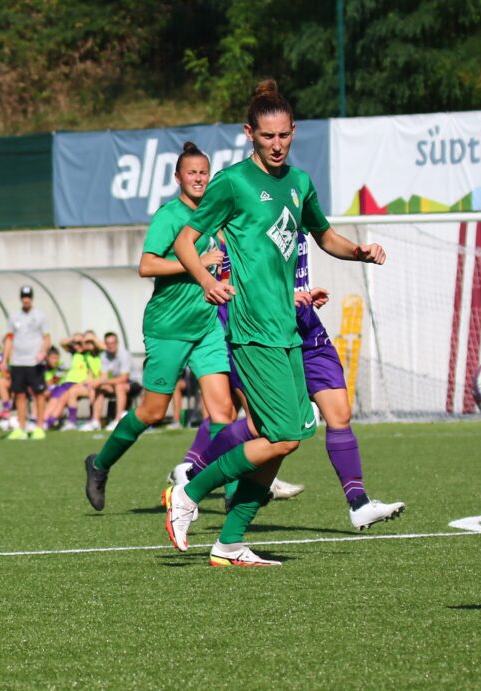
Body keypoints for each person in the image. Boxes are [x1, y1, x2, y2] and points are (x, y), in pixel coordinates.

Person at [164, 79, 400, 567]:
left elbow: (325, 236)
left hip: (290, 328)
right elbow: (186, 241)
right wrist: (207, 281)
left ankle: (230, 544)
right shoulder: (232, 182)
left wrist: (359, 251)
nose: (277, 145)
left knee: (286, 440)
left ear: (293, 132)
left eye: (285, 135)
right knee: (282, 437)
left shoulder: (299, 183)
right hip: (253, 330)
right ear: (249, 133)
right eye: (268, 136)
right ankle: (190, 490)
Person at [82, 143, 237, 510]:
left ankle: (234, 496)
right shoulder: (169, 216)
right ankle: (100, 464)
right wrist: (196, 262)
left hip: (206, 326)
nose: (199, 178)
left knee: (223, 412)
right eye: (192, 173)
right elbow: (147, 266)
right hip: (168, 328)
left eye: (204, 172)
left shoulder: (213, 216)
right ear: (178, 177)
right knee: (152, 412)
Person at [2, 286, 51, 440]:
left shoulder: (40, 316)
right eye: (24, 297)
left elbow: (47, 338)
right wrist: (5, 359)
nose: (26, 299)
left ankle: (40, 427)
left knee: (39, 394)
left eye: (28, 296)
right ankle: (21, 428)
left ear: (32, 298)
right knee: (19, 394)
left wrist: (43, 352)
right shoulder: (14, 317)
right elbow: (9, 338)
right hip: (18, 361)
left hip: (34, 362)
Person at [91, 332, 139, 431]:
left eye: (113, 343)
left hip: (135, 383)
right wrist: (97, 383)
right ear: (105, 344)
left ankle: (118, 420)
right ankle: (95, 421)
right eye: (108, 343)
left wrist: (101, 382)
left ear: (117, 343)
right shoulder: (104, 355)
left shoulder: (124, 355)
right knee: (100, 388)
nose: (111, 345)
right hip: (118, 383)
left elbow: (124, 378)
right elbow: (103, 377)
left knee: (119, 386)